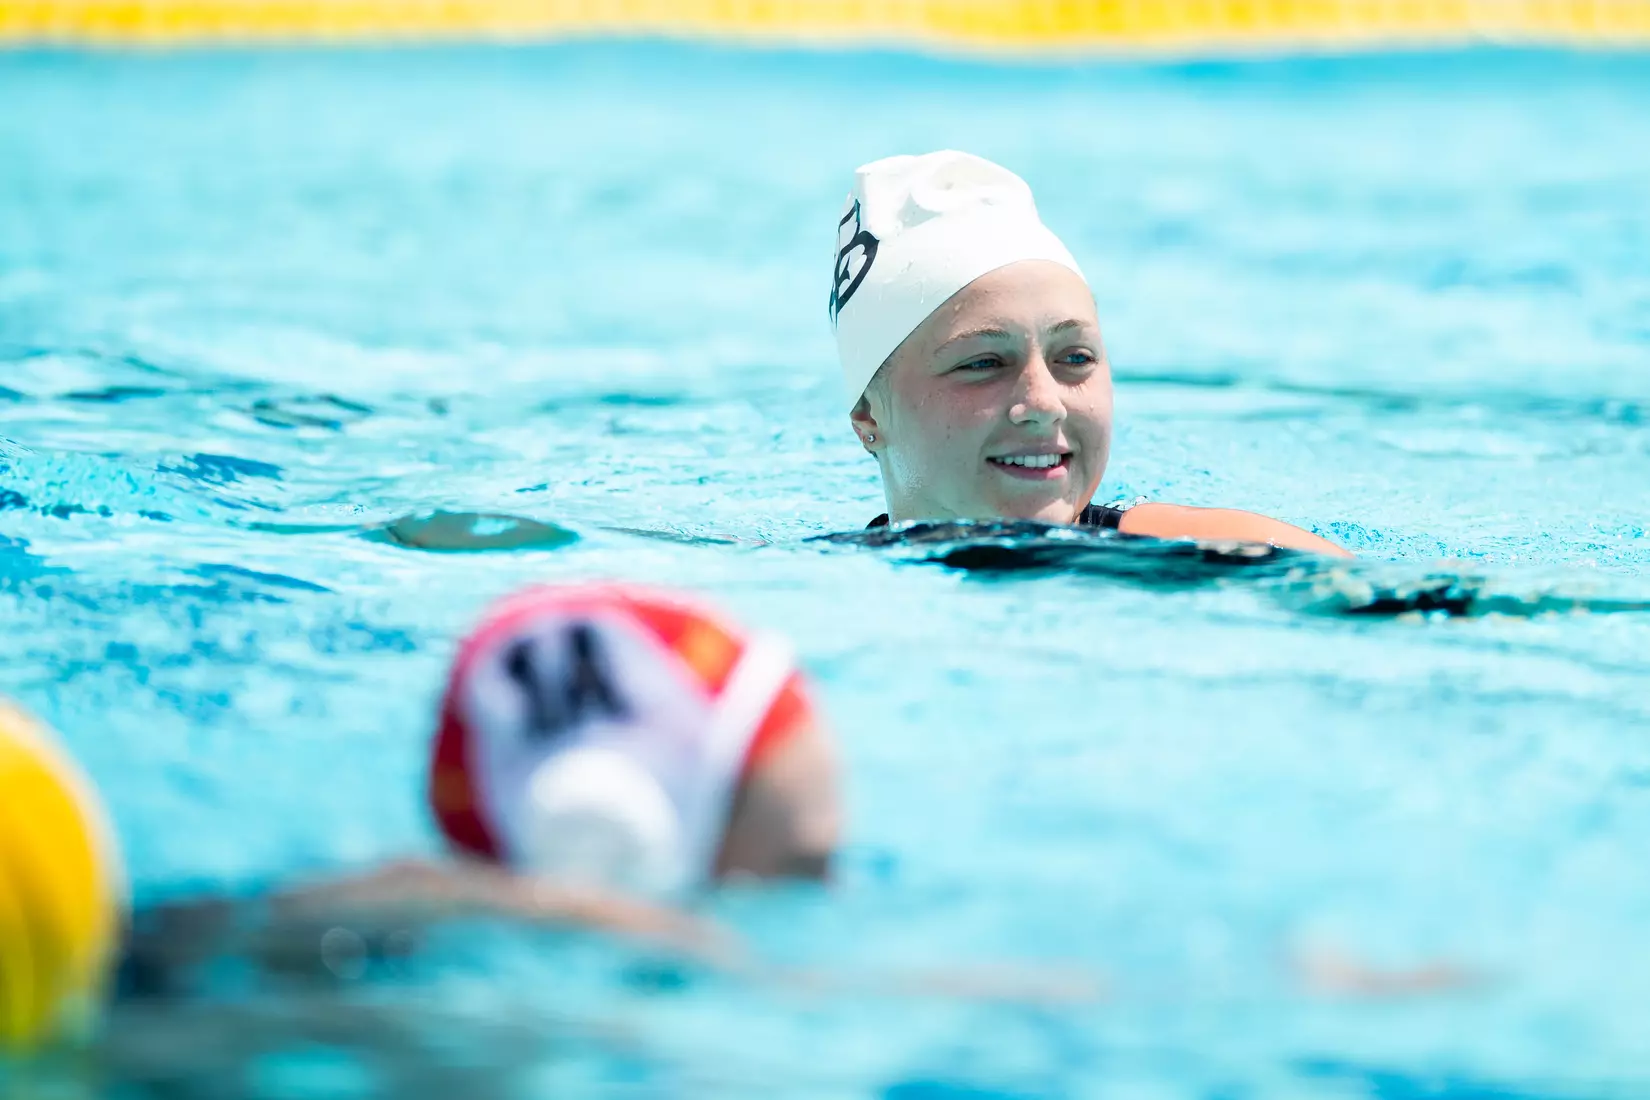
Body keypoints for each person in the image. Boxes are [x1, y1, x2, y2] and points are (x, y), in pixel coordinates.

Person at [830, 150, 1350, 557]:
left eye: (1074, 359)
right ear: (869, 415)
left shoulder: (1202, 556)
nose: (1044, 402)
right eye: (983, 363)